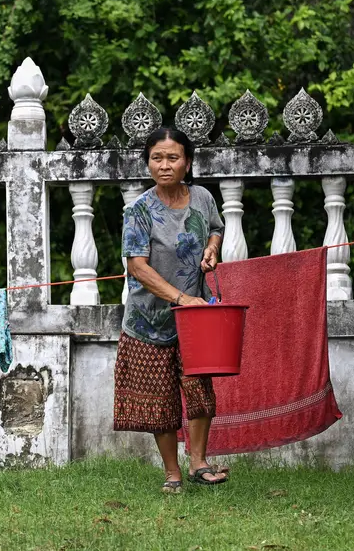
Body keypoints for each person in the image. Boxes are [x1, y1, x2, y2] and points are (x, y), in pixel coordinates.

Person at [114, 127, 227, 492]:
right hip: (149, 320)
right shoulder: (139, 210)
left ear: (187, 163)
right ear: (148, 163)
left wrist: (212, 249)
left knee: (200, 392)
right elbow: (138, 267)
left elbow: (216, 227)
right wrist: (181, 298)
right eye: (157, 158)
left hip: (195, 319)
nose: (164, 165)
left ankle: (198, 463)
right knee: (158, 400)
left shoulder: (202, 198)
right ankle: (171, 473)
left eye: (172, 158)